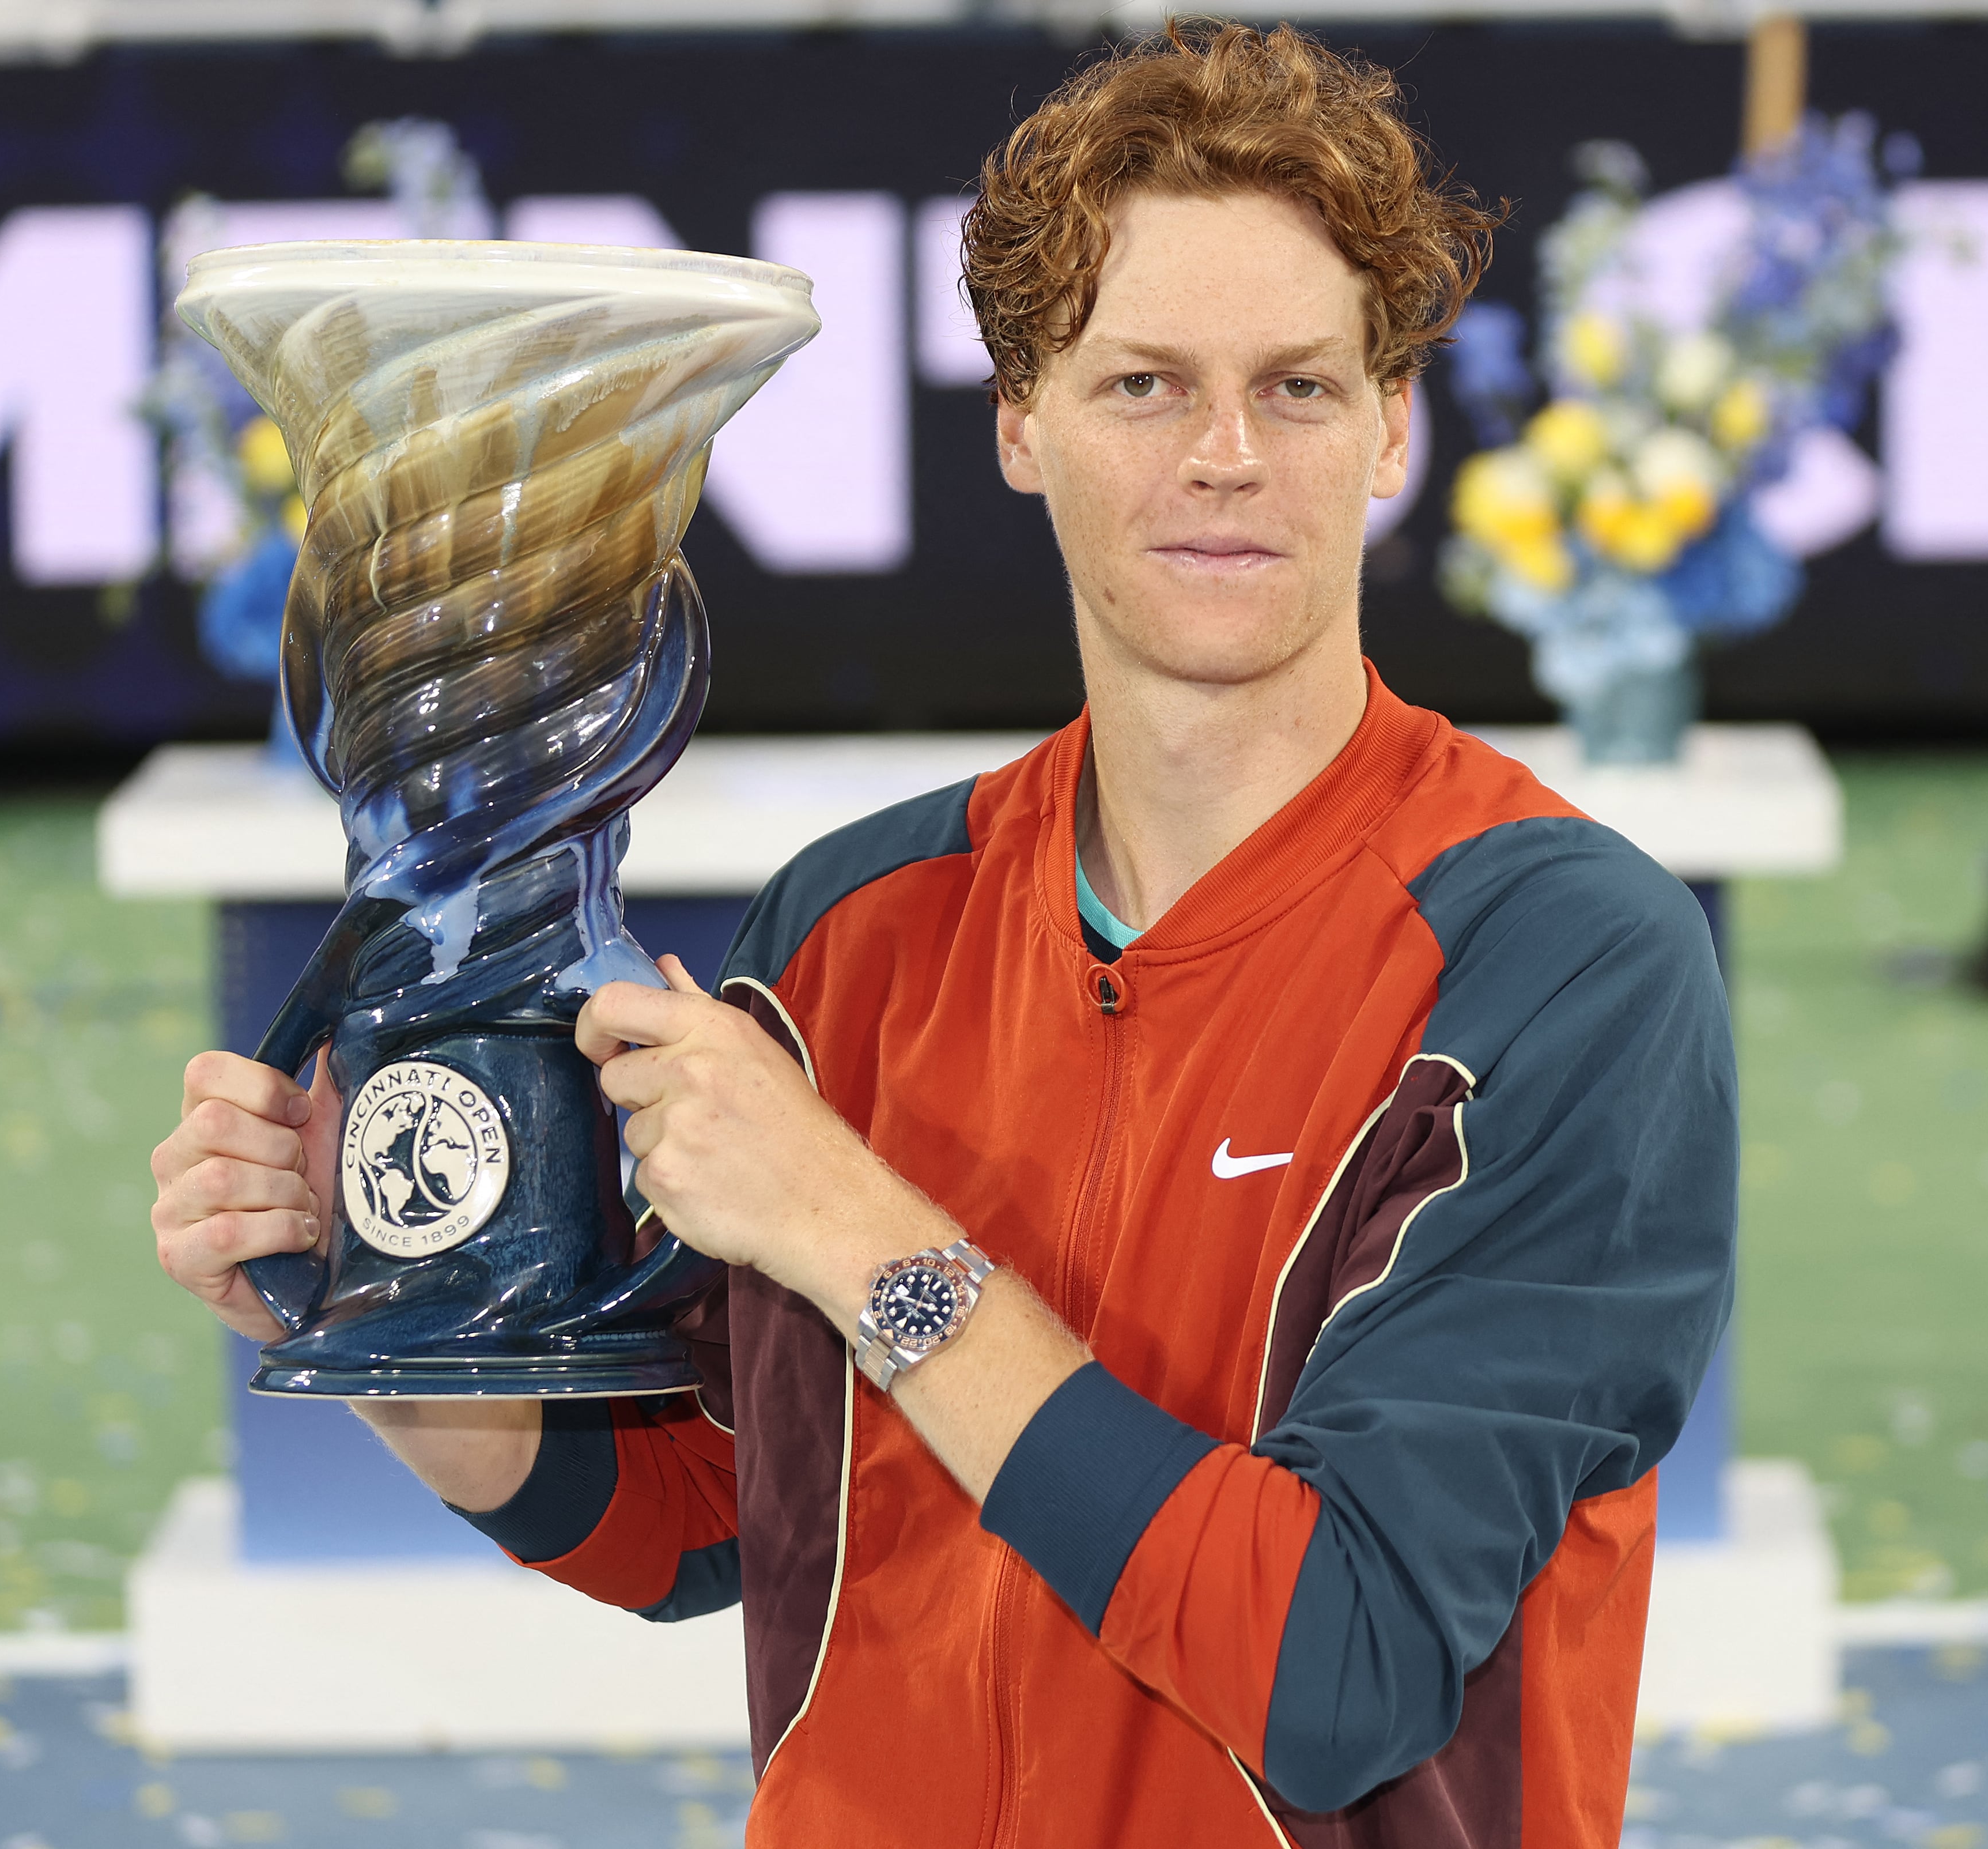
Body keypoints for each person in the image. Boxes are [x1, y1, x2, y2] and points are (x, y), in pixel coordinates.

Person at [149, 21, 1735, 1846]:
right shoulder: (856, 925)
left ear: (1391, 425)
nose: (1225, 455)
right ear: (1018, 419)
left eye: (1297, 387)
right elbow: (708, 1516)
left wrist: (850, 1225)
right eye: (1142, 384)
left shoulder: (1558, 960)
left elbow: (1341, 1659)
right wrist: (394, 1306)